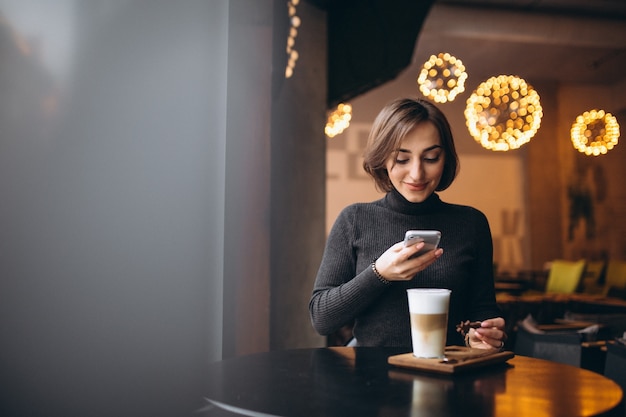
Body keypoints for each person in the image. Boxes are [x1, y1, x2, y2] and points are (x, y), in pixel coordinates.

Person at [309, 97, 507, 350]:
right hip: (371, 379)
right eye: (402, 159)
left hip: (448, 374)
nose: (417, 173)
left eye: (431, 158)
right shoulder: (355, 220)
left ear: (445, 158)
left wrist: (484, 336)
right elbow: (321, 318)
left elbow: (482, 310)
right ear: (382, 159)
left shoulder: (471, 223)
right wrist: (379, 273)